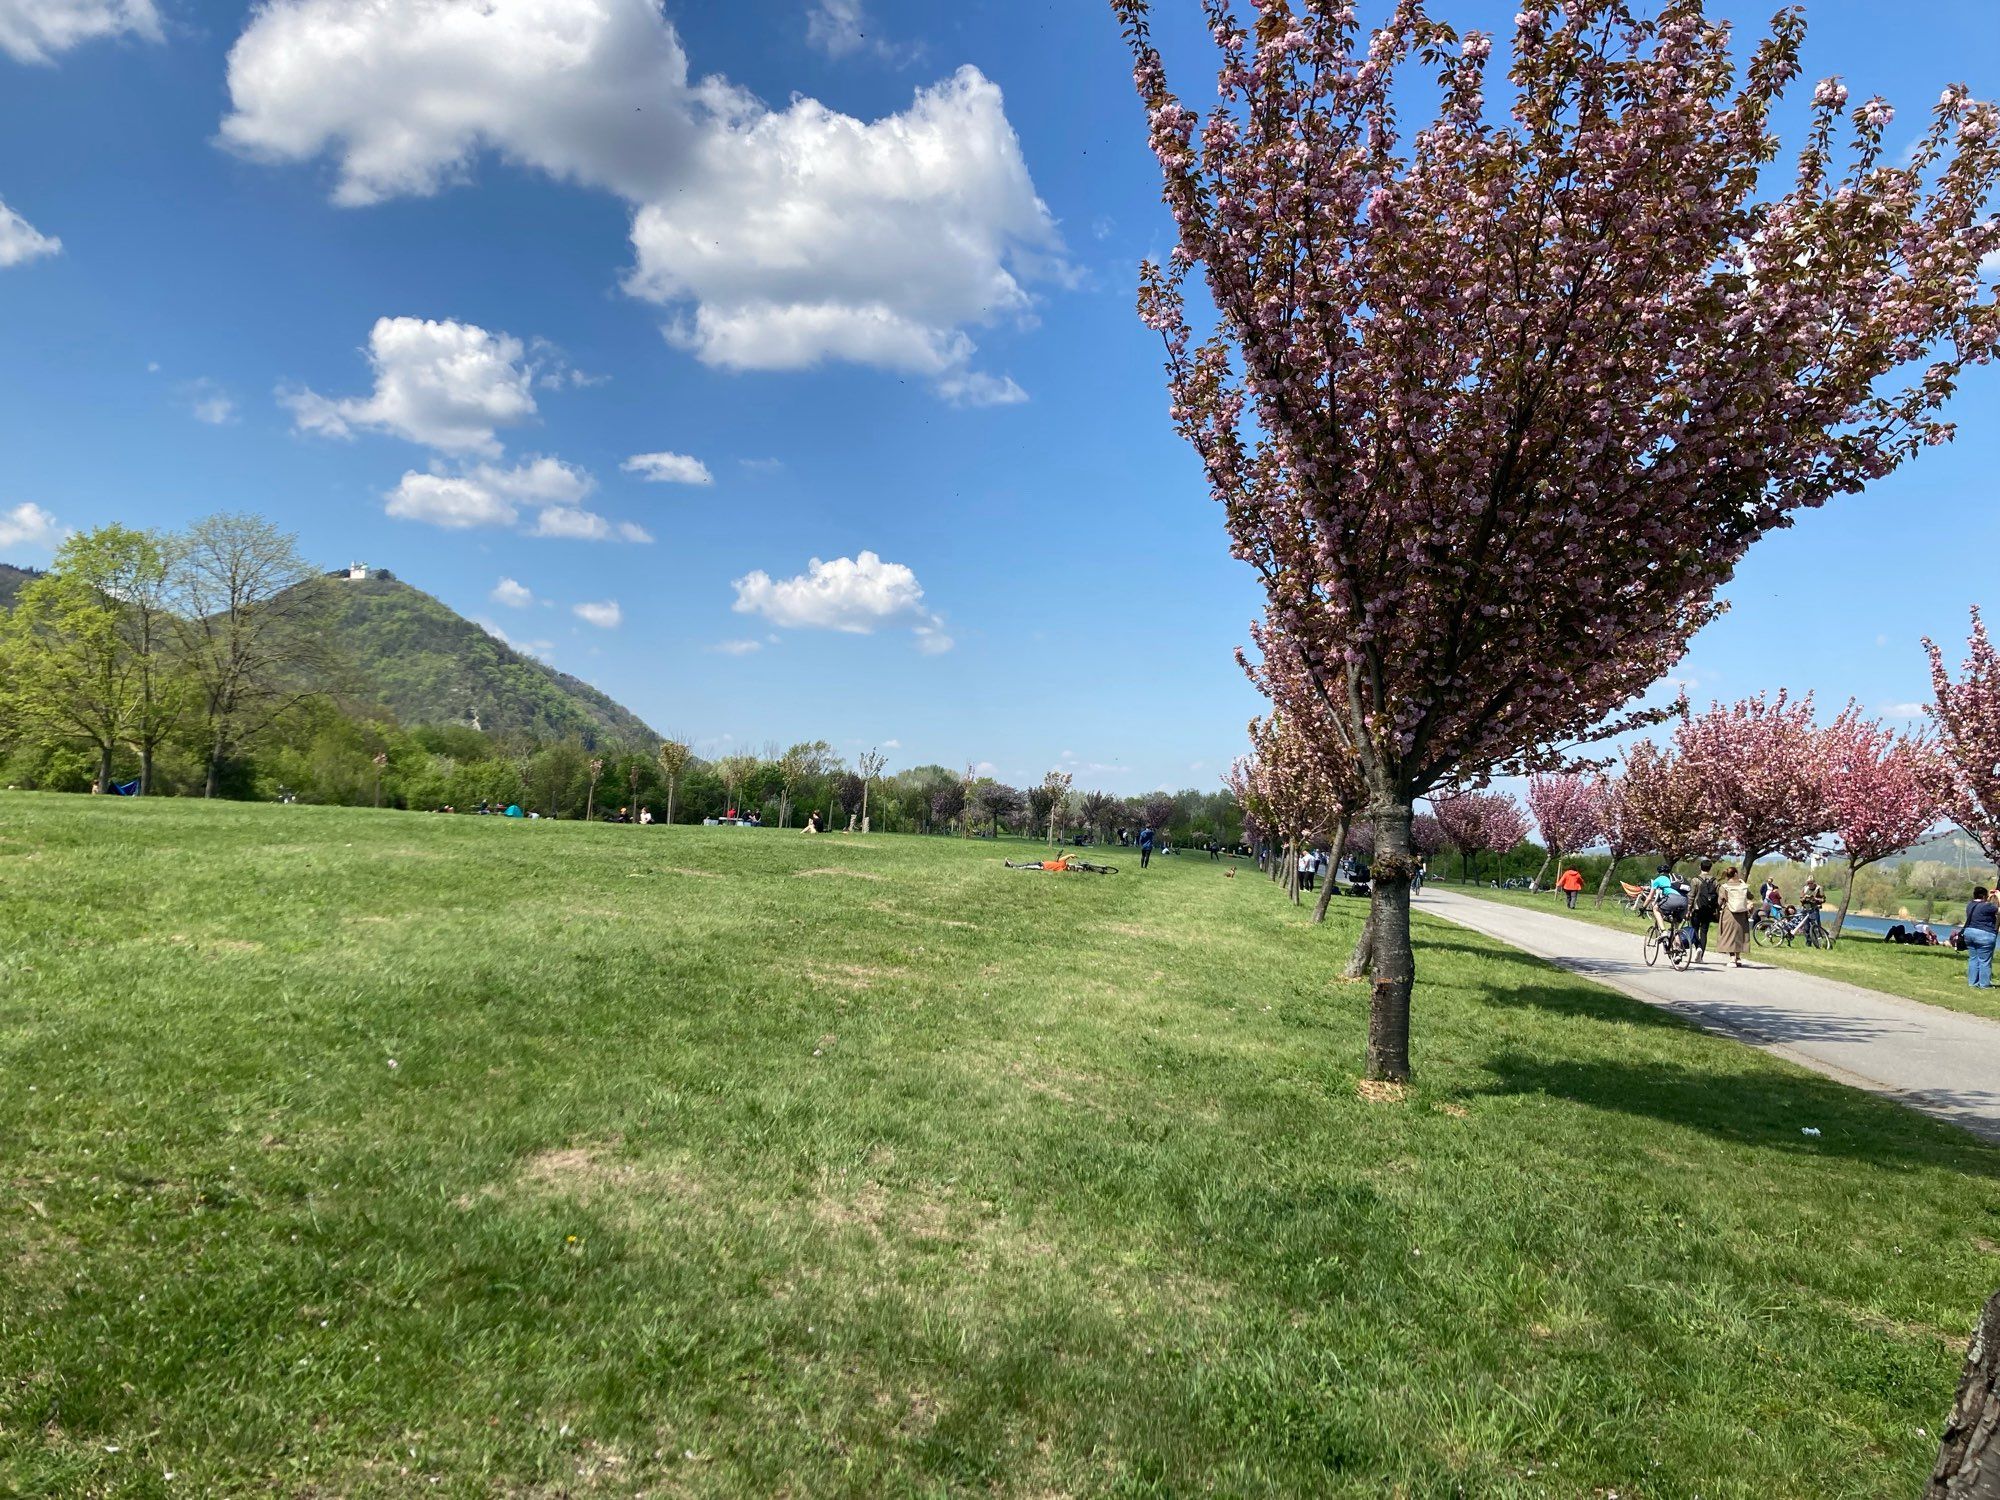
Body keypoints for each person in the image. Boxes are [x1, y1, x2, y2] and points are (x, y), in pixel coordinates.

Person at [1716, 865, 1752, 966]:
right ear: (1736, 874)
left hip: (1729, 913)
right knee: (1740, 934)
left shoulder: (1724, 887)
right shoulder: (1742, 886)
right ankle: (1738, 957)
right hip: (1742, 913)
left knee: (1729, 935)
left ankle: (1732, 959)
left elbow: (1719, 902)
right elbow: (1750, 896)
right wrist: (1744, 884)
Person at [1963, 887, 1998, 988]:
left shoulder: (1970, 905)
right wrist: (1999, 897)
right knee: (1984, 961)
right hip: (1984, 935)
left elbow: (1981, 907)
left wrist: (1989, 897)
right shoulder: (1987, 906)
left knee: (1973, 959)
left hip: (1969, 933)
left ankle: (1972, 983)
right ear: (1983, 896)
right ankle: (1984, 984)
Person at [1688, 858, 1721, 961]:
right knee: (1704, 932)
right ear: (1710, 868)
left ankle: (1697, 948)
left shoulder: (1695, 880)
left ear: (1700, 867)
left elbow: (1691, 896)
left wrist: (1689, 909)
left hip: (1697, 909)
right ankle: (1701, 956)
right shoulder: (1715, 881)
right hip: (1709, 909)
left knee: (1694, 930)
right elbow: (1719, 896)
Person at [1799, 877, 1826, 944]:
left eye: (1811, 883)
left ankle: (1819, 941)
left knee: (1816, 925)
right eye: (1808, 883)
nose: (1810, 884)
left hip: (1814, 909)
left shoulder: (1819, 888)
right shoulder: (1805, 888)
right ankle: (1808, 942)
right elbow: (1801, 898)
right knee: (1806, 927)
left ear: (1814, 883)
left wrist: (1815, 898)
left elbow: (1823, 900)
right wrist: (1804, 898)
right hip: (1805, 909)